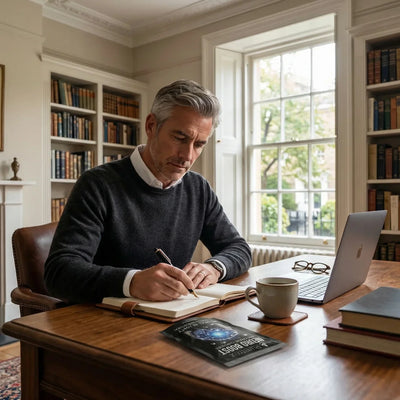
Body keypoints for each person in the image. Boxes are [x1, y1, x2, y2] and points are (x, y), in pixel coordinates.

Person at [44, 79, 252, 304]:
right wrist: (131, 282)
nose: (187, 156)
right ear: (151, 126)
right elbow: (59, 273)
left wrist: (214, 268)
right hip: (104, 323)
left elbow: (238, 248)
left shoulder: (198, 188)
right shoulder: (97, 184)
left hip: (171, 318)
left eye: (199, 144)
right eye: (180, 138)